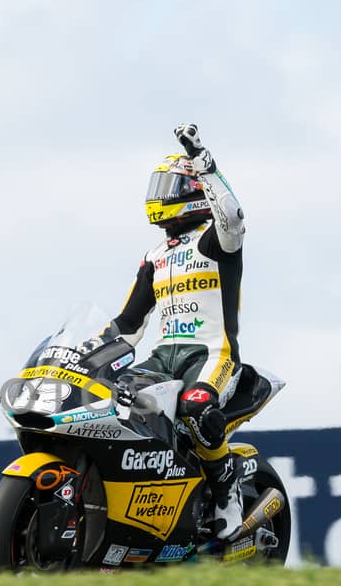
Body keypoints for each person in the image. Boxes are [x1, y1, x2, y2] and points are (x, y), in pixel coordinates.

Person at [105, 123, 248, 539]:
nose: (160, 194)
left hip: (212, 355)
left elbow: (234, 216)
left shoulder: (217, 242)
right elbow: (127, 326)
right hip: (164, 355)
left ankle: (226, 488)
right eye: (159, 185)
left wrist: (204, 163)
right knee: (111, 397)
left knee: (198, 405)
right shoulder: (154, 257)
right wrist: (85, 350)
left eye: (169, 185)